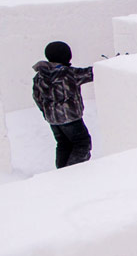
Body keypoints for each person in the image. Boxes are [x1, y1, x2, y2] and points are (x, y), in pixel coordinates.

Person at [32, 41, 94, 169]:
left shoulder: (39, 76)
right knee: (82, 143)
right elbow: (91, 73)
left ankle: (61, 172)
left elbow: (37, 97)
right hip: (71, 118)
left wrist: (47, 113)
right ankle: (73, 172)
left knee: (63, 144)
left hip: (53, 120)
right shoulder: (68, 73)